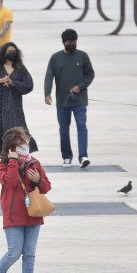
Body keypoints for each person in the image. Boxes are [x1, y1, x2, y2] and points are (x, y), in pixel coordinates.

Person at [0, 126, 51, 273]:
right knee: (14, 252)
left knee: (30, 253)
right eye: (19, 146)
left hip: (33, 213)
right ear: (11, 149)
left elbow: (46, 187)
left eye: (25, 144)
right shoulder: (2, 165)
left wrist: (37, 180)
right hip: (13, 215)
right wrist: (12, 162)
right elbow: (9, 183)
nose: (25, 149)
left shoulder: (34, 163)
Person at [44, 28, 95, 168]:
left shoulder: (82, 56)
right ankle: (67, 157)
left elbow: (90, 74)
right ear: (63, 42)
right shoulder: (55, 58)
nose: (72, 44)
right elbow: (49, 76)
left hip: (80, 100)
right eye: (69, 42)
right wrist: (47, 94)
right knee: (64, 129)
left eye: (74, 42)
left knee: (82, 126)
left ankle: (83, 156)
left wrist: (81, 86)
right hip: (62, 101)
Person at [0, 43, 38, 158]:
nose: (12, 53)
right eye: (9, 51)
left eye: (14, 51)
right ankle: (6, 161)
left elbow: (29, 85)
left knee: (18, 134)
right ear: (4, 53)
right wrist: (0, 80)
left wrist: (13, 83)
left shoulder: (20, 69)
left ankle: (19, 159)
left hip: (15, 108)